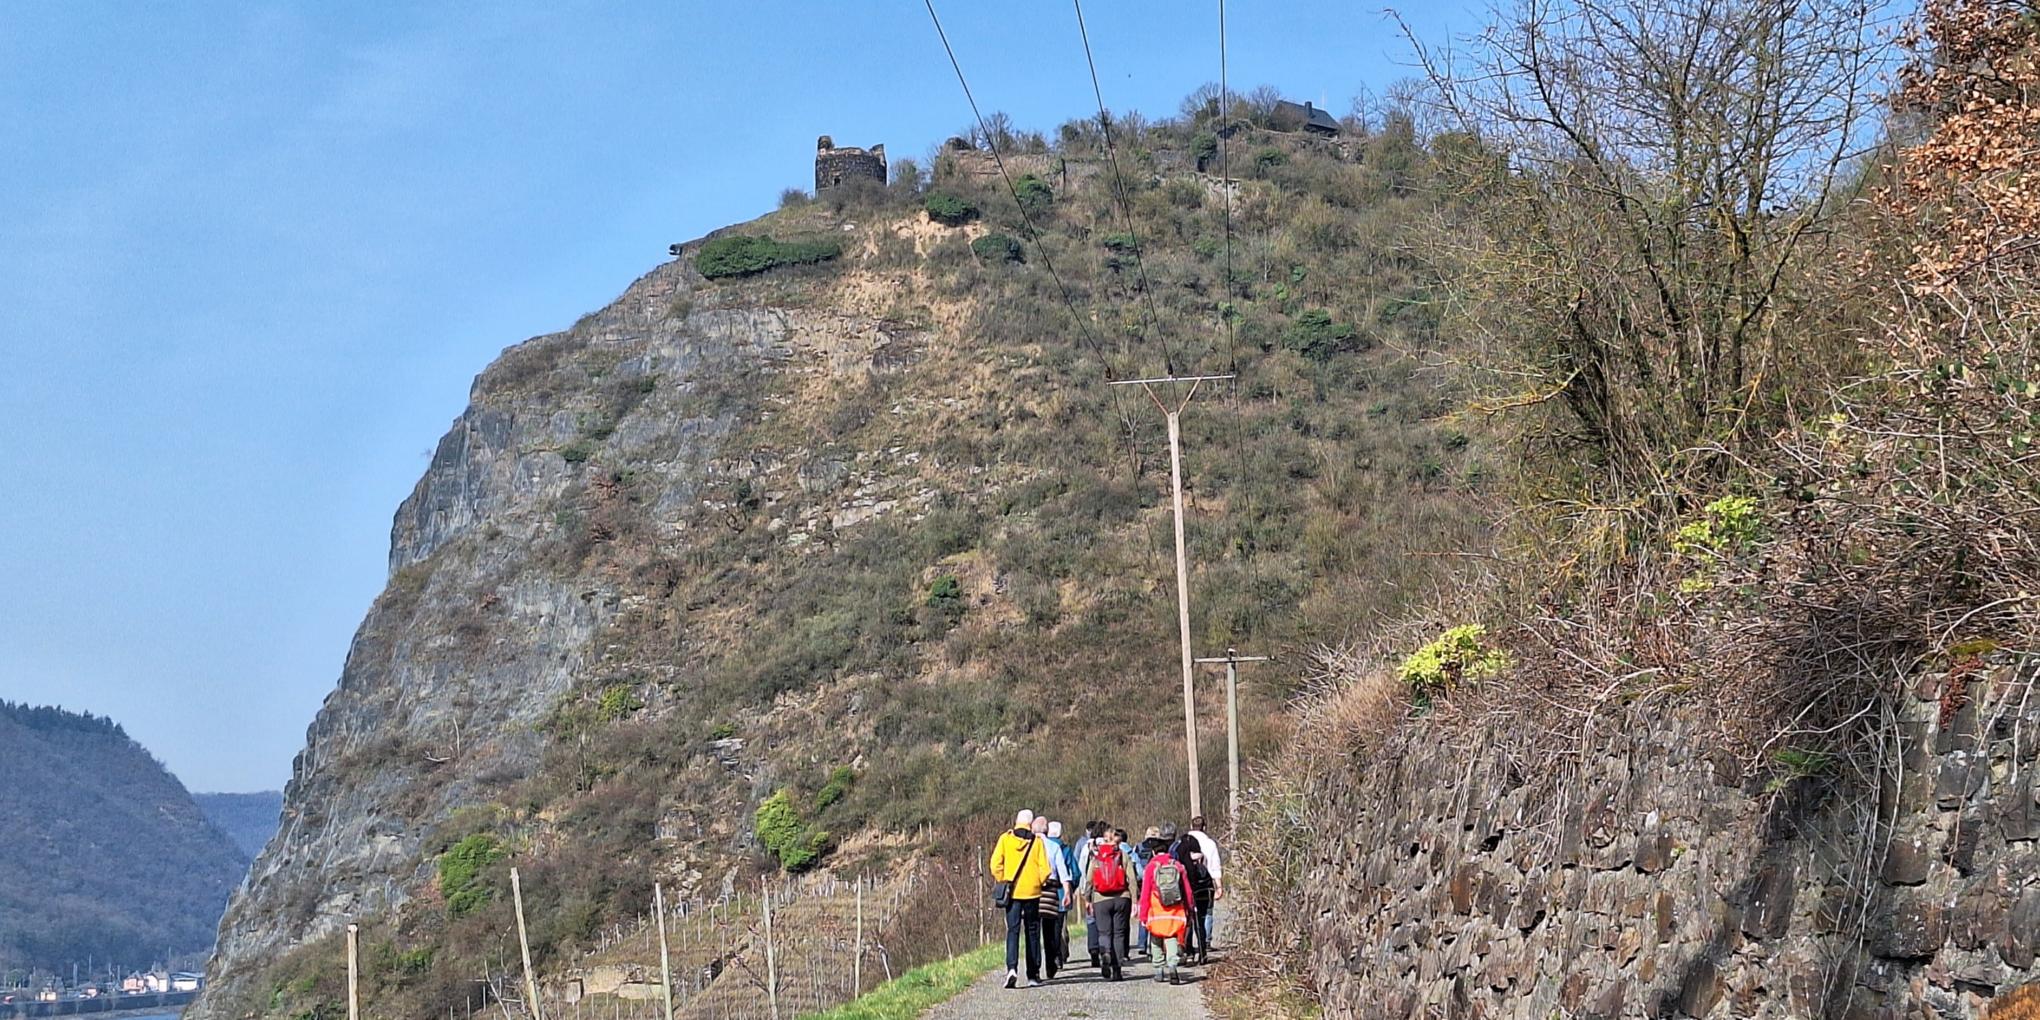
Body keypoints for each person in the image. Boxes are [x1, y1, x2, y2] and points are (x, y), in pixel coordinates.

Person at [989, 809, 1052, 988]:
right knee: (1032, 932)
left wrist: (1004, 879)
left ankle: (1011, 968)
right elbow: (1045, 869)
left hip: (1013, 893)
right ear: (1031, 824)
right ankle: (1032, 975)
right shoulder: (1037, 841)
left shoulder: (1005, 839)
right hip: (1032, 893)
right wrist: (1038, 882)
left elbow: (995, 864)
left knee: (1013, 931)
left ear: (1016, 822)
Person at [1077, 827, 1136, 981]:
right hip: (1122, 898)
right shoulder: (1122, 855)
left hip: (1100, 899)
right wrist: (1135, 900)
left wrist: (1088, 899)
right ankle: (1117, 970)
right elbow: (1132, 879)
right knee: (1119, 934)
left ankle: (1105, 953)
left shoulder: (1096, 857)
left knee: (1104, 933)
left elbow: (1089, 880)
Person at [1138, 841, 1197, 985]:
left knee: (1156, 937)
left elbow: (1145, 893)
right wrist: (1190, 907)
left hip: (1156, 908)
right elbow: (1187, 890)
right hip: (1174, 908)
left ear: (1153, 852)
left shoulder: (1151, 867)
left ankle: (1159, 969)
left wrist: (1143, 915)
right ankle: (1172, 965)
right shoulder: (1177, 866)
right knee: (1171, 936)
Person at [1171, 823, 1217, 965]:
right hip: (1205, 891)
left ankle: (1189, 952)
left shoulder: (1183, 861)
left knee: (1189, 924)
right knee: (1201, 922)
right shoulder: (1201, 857)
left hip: (1190, 893)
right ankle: (1203, 953)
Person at [1033, 817, 1073, 979]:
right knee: (1050, 930)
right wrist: (1067, 892)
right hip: (1051, 891)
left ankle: (1034, 968)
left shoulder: (1029, 846)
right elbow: (1063, 871)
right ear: (1046, 830)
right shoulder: (1054, 846)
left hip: (1033, 891)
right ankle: (1051, 963)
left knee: (1033, 930)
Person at [1184, 815, 1225, 958]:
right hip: (1205, 884)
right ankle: (1205, 942)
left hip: (1187, 883)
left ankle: (1187, 946)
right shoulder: (1210, 843)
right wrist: (1219, 886)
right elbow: (1215, 866)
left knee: (1188, 915)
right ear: (1204, 827)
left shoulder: (1183, 842)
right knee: (1206, 913)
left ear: (1191, 826)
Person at [1075, 821, 1107, 967]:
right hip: (1108, 889)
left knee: (1091, 919)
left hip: (1091, 888)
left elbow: (1081, 869)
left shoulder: (1087, 848)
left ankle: (1093, 950)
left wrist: (1082, 889)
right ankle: (1105, 950)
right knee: (1106, 921)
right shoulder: (1110, 845)